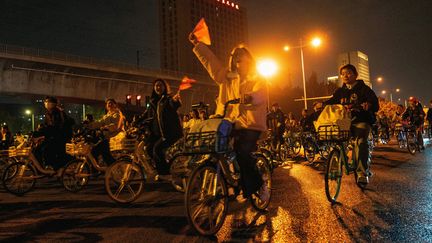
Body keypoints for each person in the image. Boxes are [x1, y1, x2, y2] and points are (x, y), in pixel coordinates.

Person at [190, 34, 268, 200]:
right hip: (229, 120)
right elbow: (211, 62)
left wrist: (250, 97)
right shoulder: (226, 76)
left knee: (242, 152)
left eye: (243, 58)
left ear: (249, 60)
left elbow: (261, 93)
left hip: (251, 124)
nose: (239, 61)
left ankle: (260, 185)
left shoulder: (257, 78)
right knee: (216, 147)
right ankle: (229, 179)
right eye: (236, 58)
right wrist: (198, 45)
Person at [325, 64, 379, 185]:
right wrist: (320, 104)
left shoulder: (364, 89)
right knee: (336, 140)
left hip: (361, 120)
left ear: (355, 75)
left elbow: (375, 104)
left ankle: (362, 173)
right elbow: (331, 101)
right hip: (345, 122)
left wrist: (368, 105)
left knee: (360, 142)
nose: (345, 76)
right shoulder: (340, 91)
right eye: (343, 74)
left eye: (348, 73)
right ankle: (334, 167)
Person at [141, 79, 183, 176]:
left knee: (157, 149)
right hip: (157, 134)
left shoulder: (167, 99)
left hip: (169, 133)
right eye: (156, 86)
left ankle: (164, 174)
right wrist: (136, 121)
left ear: (165, 87)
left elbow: (173, 105)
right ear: (154, 88)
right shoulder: (153, 102)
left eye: (160, 85)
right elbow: (146, 115)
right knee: (148, 149)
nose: (158, 87)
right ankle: (161, 166)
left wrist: (176, 101)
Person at [36, 96, 72, 173]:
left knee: (46, 149)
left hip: (60, 137)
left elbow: (56, 127)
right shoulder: (49, 113)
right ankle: (44, 168)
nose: (45, 103)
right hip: (52, 136)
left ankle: (51, 167)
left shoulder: (58, 113)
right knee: (38, 149)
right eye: (45, 102)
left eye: (47, 102)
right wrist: (40, 131)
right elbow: (46, 126)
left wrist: (42, 131)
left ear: (53, 104)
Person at [88, 98, 125, 165]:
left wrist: (105, 128)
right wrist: (90, 125)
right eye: (108, 103)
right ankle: (109, 169)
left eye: (111, 103)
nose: (109, 104)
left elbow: (116, 126)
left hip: (113, 138)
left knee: (94, 152)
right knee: (106, 157)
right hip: (106, 137)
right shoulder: (107, 115)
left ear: (115, 105)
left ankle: (96, 171)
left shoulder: (117, 114)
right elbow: (100, 122)